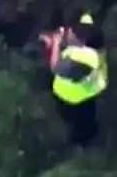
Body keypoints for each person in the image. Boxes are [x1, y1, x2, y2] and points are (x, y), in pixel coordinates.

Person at [42, 13, 107, 147]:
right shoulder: (88, 48)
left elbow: (56, 67)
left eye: (69, 31)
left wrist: (56, 43)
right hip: (85, 91)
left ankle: (83, 144)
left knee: (80, 127)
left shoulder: (84, 58)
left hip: (75, 99)